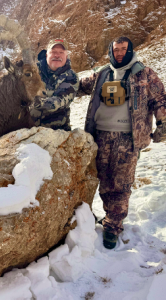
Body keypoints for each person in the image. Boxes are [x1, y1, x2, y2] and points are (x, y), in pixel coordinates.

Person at [79, 36, 166, 249]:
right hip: (99, 135)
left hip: (128, 138)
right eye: (115, 49)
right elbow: (78, 87)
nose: (119, 53)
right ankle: (99, 217)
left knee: (120, 183)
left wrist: (162, 124)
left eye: (123, 49)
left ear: (130, 50)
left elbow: (160, 99)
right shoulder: (101, 73)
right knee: (99, 178)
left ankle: (113, 226)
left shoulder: (144, 73)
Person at [30, 39, 79, 131]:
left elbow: (60, 101)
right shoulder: (33, 71)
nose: (57, 55)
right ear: (46, 54)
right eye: (53, 52)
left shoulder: (71, 76)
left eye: (61, 52)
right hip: (27, 128)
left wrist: (37, 102)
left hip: (56, 130)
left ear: (66, 55)